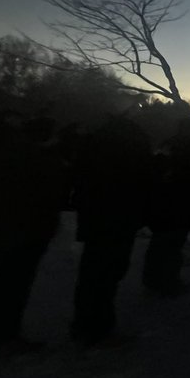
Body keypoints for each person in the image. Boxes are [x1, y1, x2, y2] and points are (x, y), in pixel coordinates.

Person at [0, 115, 68, 353]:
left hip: (11, 228)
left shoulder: (9, 155)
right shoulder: (36, 159)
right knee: (14, 284)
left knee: (4, 283)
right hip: (27, 230)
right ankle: (3, 335)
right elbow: (46, 194)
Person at [70, 116, 152, 346]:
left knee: (92, 272)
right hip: (119, 219)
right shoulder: (133, 145)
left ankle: (86, 325)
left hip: (96, 218)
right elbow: (143, 180)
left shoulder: (92, 142)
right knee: (107, 274)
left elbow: (79, 177)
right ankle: (98, 329)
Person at [142, 116, 190, 295]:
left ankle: (151, 278)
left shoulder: (167, 144)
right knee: (173, 245)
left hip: (162, 202)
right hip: (182, 203)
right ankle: (169, 281)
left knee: (160, 242)